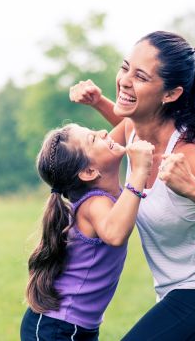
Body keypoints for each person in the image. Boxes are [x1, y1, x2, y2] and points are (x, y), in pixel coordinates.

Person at [69, 31, 195, 340]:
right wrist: (99, 102)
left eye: (141, 77)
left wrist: (193, 189)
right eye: (125, 67)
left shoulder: (190, 154)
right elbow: (108, 145)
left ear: (170, 94)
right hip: (174, 292)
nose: (125, 80)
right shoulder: (132, 131)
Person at [20, 123, 154, 340]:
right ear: (89, 172)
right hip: (58, 327)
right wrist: (139, 172)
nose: (104, 132)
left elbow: (130, 122)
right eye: (93, 138)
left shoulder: (104, 195)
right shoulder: (94, 204)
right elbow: (115, 234)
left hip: (72, 326)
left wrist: (99, 100)